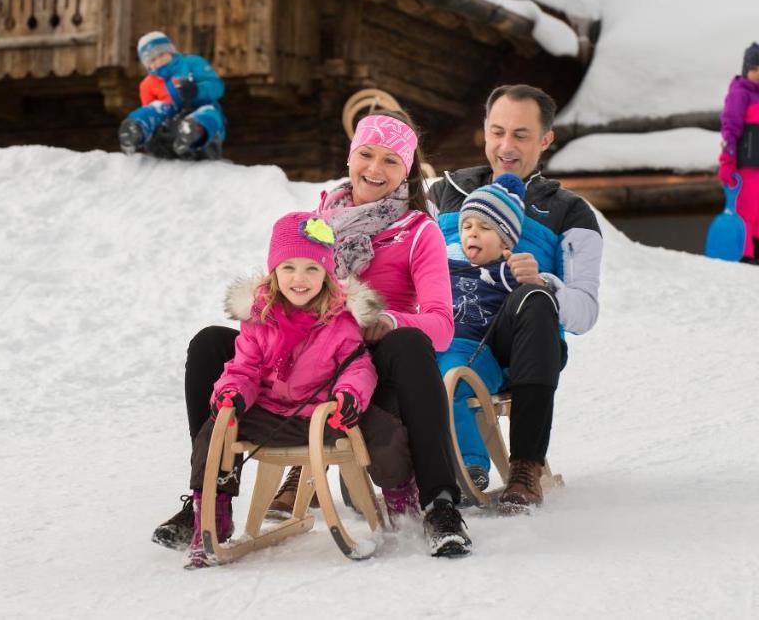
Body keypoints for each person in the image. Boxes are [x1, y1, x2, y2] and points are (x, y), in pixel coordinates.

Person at [154, 109, 473, 558]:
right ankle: (210, 495)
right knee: (210, 343)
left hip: (368, 362)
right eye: (366, 154)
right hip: (302, 358)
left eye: (390, 161)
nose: (374, 169)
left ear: (407, 170)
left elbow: (442, 326)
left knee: (414, 343)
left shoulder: (418, 231)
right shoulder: (314, 223)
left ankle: (440, 504)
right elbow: (284, 288)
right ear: (350, 156)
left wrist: (386, 323)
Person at [176, 211, 412, 568]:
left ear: (327, 275)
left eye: (311, 269)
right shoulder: (259, 316)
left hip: (327, 414)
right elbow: (245, 367)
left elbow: (357, 366)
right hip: (271, 412)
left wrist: (349, 395)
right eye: (288, 268)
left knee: (387, 435)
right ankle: (212, 514)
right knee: (215, 433)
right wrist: (232, 393)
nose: (299, 279)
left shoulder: (340, 318)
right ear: (274, 272)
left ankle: (401, 504)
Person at [428, 84, 602, 512]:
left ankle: (525, 464)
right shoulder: (443, 193)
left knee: (536, 299)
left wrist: (545, 282)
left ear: (546, 140)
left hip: (520, 344)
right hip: (448, 332)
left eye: (521, 135)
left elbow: (585, 312)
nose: (506, 146)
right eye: (497, 131)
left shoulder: (569, 211)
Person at [434, 173, 526, 499]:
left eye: (485, 228)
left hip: (477, 352)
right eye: (467, 226)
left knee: (454, 383)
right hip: (437, 345)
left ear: (505, 242)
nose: (473, 233)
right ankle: (414, 474)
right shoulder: (444, 264)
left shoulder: (509, 273)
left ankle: (472, 464)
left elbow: (533, 308)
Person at [717, 42, 759, 266]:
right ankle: (744, 255)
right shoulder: (739, 94)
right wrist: (727, 160)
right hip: (747, 163)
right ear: (746, 69)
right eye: (754, 69)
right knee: (746, 210)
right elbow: (730, 128)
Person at [118, 31, 226, 159]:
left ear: (171, 51)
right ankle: (136, 129)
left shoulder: (192, 64)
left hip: (198, 108)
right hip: (170, 125)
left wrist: (197, 90)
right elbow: (149, 108)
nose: (158, 61)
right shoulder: (147, 84)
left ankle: (193, 131)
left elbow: (217, 87)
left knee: (209, 111)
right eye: (152, 59)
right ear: (147, 65)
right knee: (156, 108)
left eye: (161, 54)